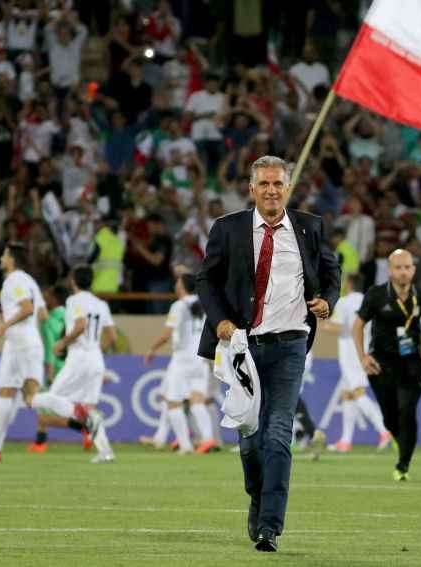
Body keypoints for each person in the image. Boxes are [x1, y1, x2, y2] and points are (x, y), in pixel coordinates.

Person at [197, 155, 341, 552]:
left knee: (278, 435)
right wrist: (222, 321)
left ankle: (269, 528)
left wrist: (327, 300)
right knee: (250, 441)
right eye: (264, 184)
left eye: (278, 184)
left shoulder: (309, 227)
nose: (272, 191)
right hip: (242, 347)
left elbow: (332, 274)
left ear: (287, 188)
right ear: (252, 188)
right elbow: (205, 280)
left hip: (290, 345)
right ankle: (258, 498)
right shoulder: (228, 229)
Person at [0, 244, 103, 463]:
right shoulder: (30, 281)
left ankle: (77, 411)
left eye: (4, 254)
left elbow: (29, 309)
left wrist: (5, 324)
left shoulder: (16, 280)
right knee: (22, 397)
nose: (1, 258)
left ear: (12, 259)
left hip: (20, 342)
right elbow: (42, 314)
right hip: (25, 342)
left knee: (13, 395)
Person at [352, 250, 421, 481]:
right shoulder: (376, 294)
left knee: (407, 411)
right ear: (390, 270)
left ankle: (403, 464)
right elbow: (357, 325)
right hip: (381, 364)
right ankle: (401, 447)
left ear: (413, 269)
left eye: (407, 267)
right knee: (390, 418)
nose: (403, 271)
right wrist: (363, 357)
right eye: (398, 267)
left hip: (412, 363)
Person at [48, 266, 117, 463]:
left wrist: (62, 343)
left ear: (73, 281)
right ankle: (105, 451)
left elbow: (80, 325)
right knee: (91, 407)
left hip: (78, 357)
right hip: (96, 357)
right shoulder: (101, 304)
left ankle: (81, 413)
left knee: (53, 396)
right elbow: (112, 336)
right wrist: (96, 350)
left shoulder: (73, 301)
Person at [144, 274, 218, 454]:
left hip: (183, 358)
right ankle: (208, 439)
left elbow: (167, 333)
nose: (175, 284)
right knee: (197, 401)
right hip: (200, 357)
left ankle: (185, 445)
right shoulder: (204, 304)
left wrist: (152, 349)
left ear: (182, 286)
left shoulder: (178, 306)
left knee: (173, 402)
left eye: (178, 282)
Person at [324, 273, 392, 453]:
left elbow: (339, 327)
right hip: (365, 348)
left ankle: (384, 430)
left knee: (358, 392)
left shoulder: (344, 302)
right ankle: (346, 441)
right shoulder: (369, 301)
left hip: (350, 351)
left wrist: (326, 324)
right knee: (348, 394)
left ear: (349, 284)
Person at [29, 284, 74, 453]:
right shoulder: (71, 316)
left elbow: (49, 350)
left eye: (47, 295)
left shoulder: (47, 321)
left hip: (56, 369)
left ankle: (85, 428)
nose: (44, 298)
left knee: (44, 411)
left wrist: (49, 373)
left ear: (54, 299)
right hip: (74, 367)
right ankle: (40, 443)